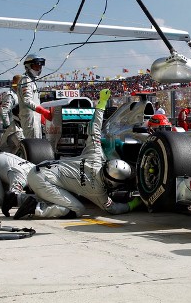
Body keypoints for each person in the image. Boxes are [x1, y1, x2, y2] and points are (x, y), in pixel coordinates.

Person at [14, 89, 142, 219]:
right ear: (112, 183)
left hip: (41, 168)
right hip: (43, 180)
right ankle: (34, 209)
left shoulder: (95, 156)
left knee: (68, 196)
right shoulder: (98, 192)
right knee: (77, 208)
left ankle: (15, 199)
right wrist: (132, 204)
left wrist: (102, 103)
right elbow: (112, 208)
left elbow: (94, 129)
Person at [18, 53, 53, 140]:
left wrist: (41, 115)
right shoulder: (25, 80)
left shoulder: (32, 81)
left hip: (35, 117)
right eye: (36, 66)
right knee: (32, 145)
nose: (39, 68)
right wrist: (43, 111)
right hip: (29, 117)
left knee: (37, 143)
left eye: (40, 66)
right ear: (29, 66)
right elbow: (27, 100)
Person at [0, 75, 24, 154]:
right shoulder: (11, 95)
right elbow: (4, 111)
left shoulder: (19, 95)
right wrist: (8, 125)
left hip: (20, 126)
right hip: (13, 128)